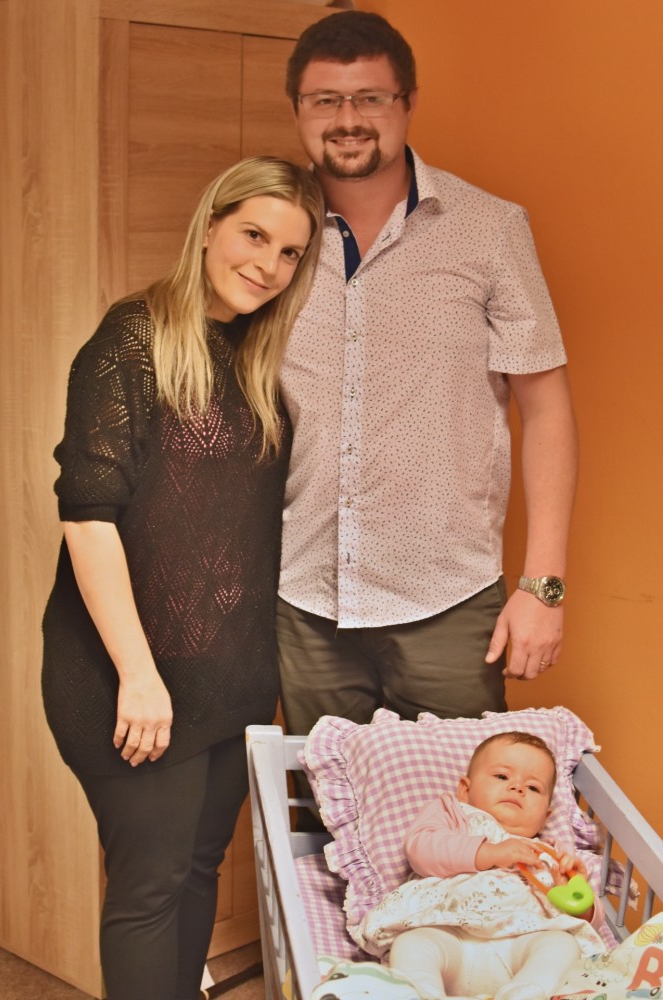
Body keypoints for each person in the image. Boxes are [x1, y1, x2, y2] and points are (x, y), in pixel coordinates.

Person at [41, 156, 324, 1000]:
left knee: (199, 866)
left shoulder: (254, 358)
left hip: (230, 677)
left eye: (289, 253)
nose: (267, 266)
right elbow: (88, 516)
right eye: (253, 235)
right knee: (151, 887)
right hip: (129, 677)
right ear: (209, 226)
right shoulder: (132, 339)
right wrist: (138, 675)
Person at [276, 11, 579, 738]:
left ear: (409, 102)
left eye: (371, 97)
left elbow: (546, 411)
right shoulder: (271, 234)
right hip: (302, 596)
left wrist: (543, 587)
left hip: (447, 598)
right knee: (321, 800)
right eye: (325, 100)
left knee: (462, 800)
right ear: (298, 111)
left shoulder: (490, 229)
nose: (348, 119)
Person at [356, 732, 606, 1000]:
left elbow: (592, 923)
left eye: (533, 788)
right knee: (412, 944)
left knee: (562, 944)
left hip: (520, 948)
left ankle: (526, 992)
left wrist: (575, 893)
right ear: (465, 790)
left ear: (545, 817)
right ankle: (423, 992)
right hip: (449, 936)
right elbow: (421, 849)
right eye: (502, 776)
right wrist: (490, 853)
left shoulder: (550, 854)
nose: (518, 788)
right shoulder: (455, 815)